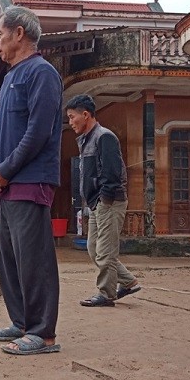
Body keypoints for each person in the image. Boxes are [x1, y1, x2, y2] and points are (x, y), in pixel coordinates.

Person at [0, 5, 63, 356]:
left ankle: (43, 333)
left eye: (0, 35)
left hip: (30, 181)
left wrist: (6, 170)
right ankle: (20, 321)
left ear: (19, 33)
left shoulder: (41, 73)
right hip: (8, 183)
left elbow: (38, 133)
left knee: (34, 258)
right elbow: (1, 132)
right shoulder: (8, 78)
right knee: (9, 258)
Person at [65, 94, 141, 307]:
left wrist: (104, 200)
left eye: (72, 117)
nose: (70, 122)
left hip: (109, 202)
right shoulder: (87, 139)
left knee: (105, 251)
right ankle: (128, 281)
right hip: (97, 203)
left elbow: (112, 172)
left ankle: (107, 294)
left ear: (86, 115)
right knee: (94, 248)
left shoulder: (104, 136)